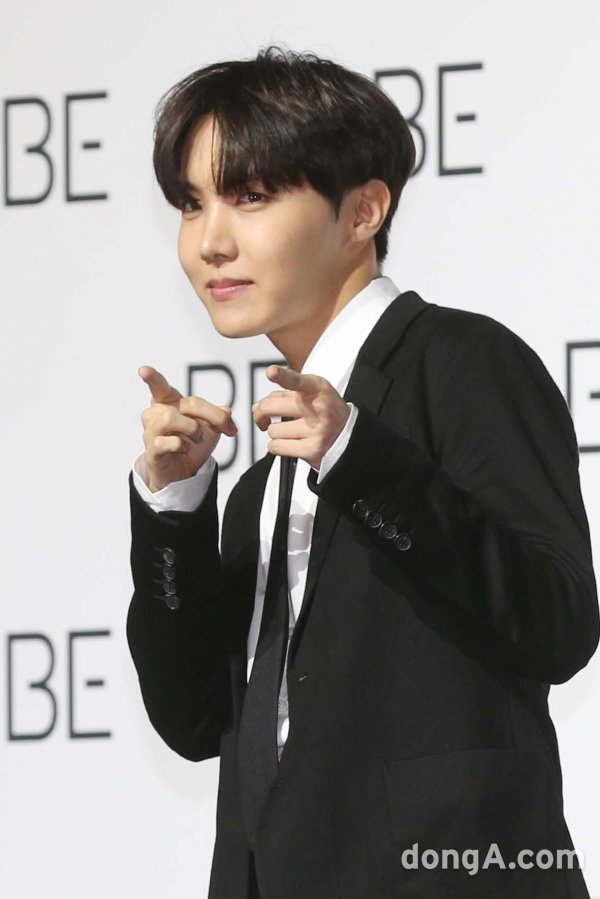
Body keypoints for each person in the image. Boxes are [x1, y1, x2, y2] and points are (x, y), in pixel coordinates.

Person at [126, 46, 599, 898]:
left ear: (363, 211)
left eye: (251, 195)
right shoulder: (259, 485)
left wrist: (358, 457)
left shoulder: (463, 363)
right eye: (192, 204)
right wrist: (174, 506)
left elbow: (559, 620)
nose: (209, 242)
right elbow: (194, 723)